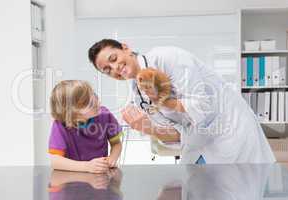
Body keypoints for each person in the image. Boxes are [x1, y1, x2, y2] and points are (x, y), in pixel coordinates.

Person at [88, 39, 276, 164]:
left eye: (113, 59)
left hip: (232, 134)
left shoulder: (168, 57)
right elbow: (176, 135)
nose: (115, 68)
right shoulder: (138, 95)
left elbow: (201, 106)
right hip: (200, 145)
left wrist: (162, 101)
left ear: (125, 48)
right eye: (107, 69)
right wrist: (147, 127)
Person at [49, 80, 122, 173]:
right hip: (71, 179)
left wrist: (112, 158)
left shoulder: (105, 115)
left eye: (93, 95)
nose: (96, 102)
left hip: (100, 178)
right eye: (88, 103)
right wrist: (87, 167)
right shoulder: (60, 125)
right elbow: (55, 161)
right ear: (71, 113)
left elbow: (116, 143)